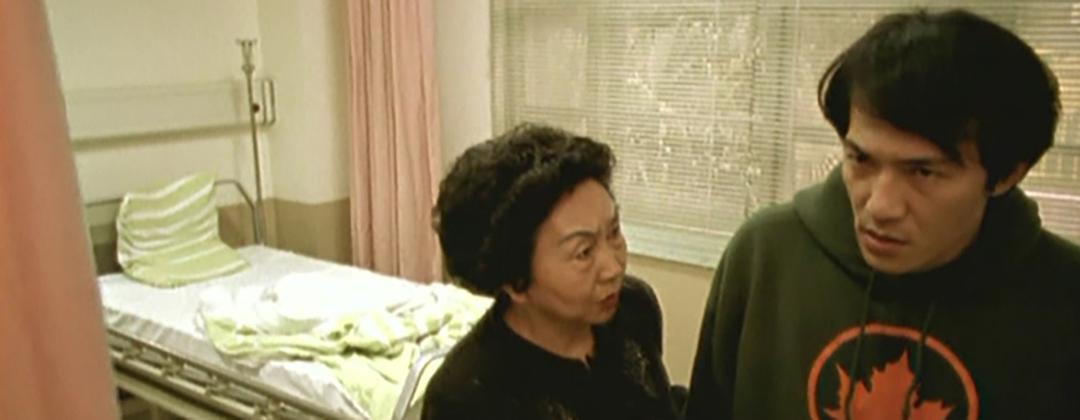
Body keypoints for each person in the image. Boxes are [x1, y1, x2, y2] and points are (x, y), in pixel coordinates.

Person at [684, 9, 1080, 419]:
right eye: (861, 159)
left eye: (923, 172)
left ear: (1007, 175)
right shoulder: (765, 255)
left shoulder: (1065, 295)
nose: (879, 206)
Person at [422, 123, 680, 420]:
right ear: (515, 281)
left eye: (613, 232)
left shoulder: (633, 306)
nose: (614, 268)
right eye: (583, 252)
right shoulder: (466, 399)